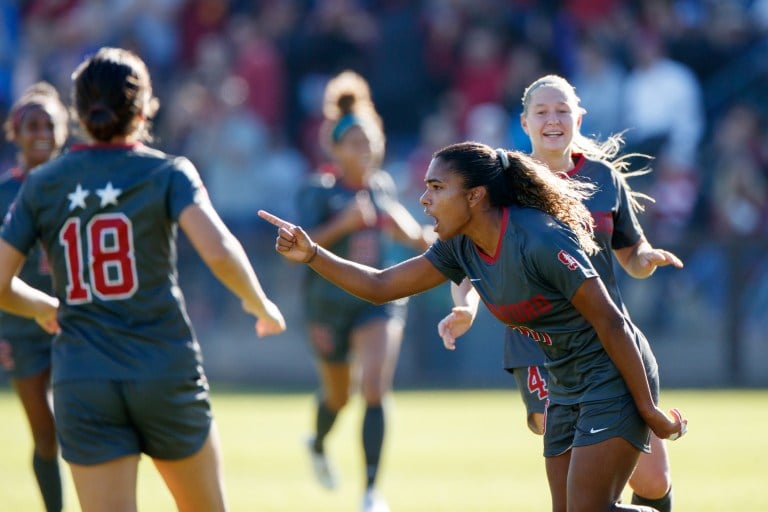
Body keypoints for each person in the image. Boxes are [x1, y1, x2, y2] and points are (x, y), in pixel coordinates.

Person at [259, 140, 688, 512]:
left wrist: (648, 409)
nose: (424, 200)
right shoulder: (460, 246)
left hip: (610, 373)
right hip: (565, 382)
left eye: (436, 187)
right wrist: (314, 253)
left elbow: (613, 323)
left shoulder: (539, 239)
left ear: (476, 196)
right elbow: (380, 285)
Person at [0, 47, 286, 512]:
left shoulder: (43, 183)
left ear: (78, 112)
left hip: (83, 378)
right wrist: (259, 304)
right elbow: (218, 249)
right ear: (145, 107)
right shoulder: (167, 171)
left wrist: (42, 307)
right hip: (163, 368)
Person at [438, 75, 683, 511]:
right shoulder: (504, 184)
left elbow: (630, 253)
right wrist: (466, 305)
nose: (553, 119)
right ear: (525, 122)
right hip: (540, 346)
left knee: (653, 477)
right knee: (579, 494)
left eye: (563, 110)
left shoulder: (604, 178)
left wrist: (647, 258)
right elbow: (468, 254)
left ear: (579, 117)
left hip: (609, 341)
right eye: (542, 112)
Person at [298, 70, 433, 512]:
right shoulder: (319, 191)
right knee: (339, 395)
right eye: (355, 142)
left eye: (370, 141)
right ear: (335, 148)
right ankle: (317, 442)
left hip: (377, 300)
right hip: (328, 306)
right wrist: (344, 223)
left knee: (374, 386)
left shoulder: (383, 188)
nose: (365, 149)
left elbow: (410, 233)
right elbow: (294, 247)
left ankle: (372, 491)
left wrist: (432, 236)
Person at [0, 81, 69, 512]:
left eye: (49, 123)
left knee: (87, 425)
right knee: (45, 435)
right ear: (15, 132)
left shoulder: (81, 184)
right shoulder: (5, 191)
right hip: (19, 323)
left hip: (75, 318)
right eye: (32, 124)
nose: (41, 131)